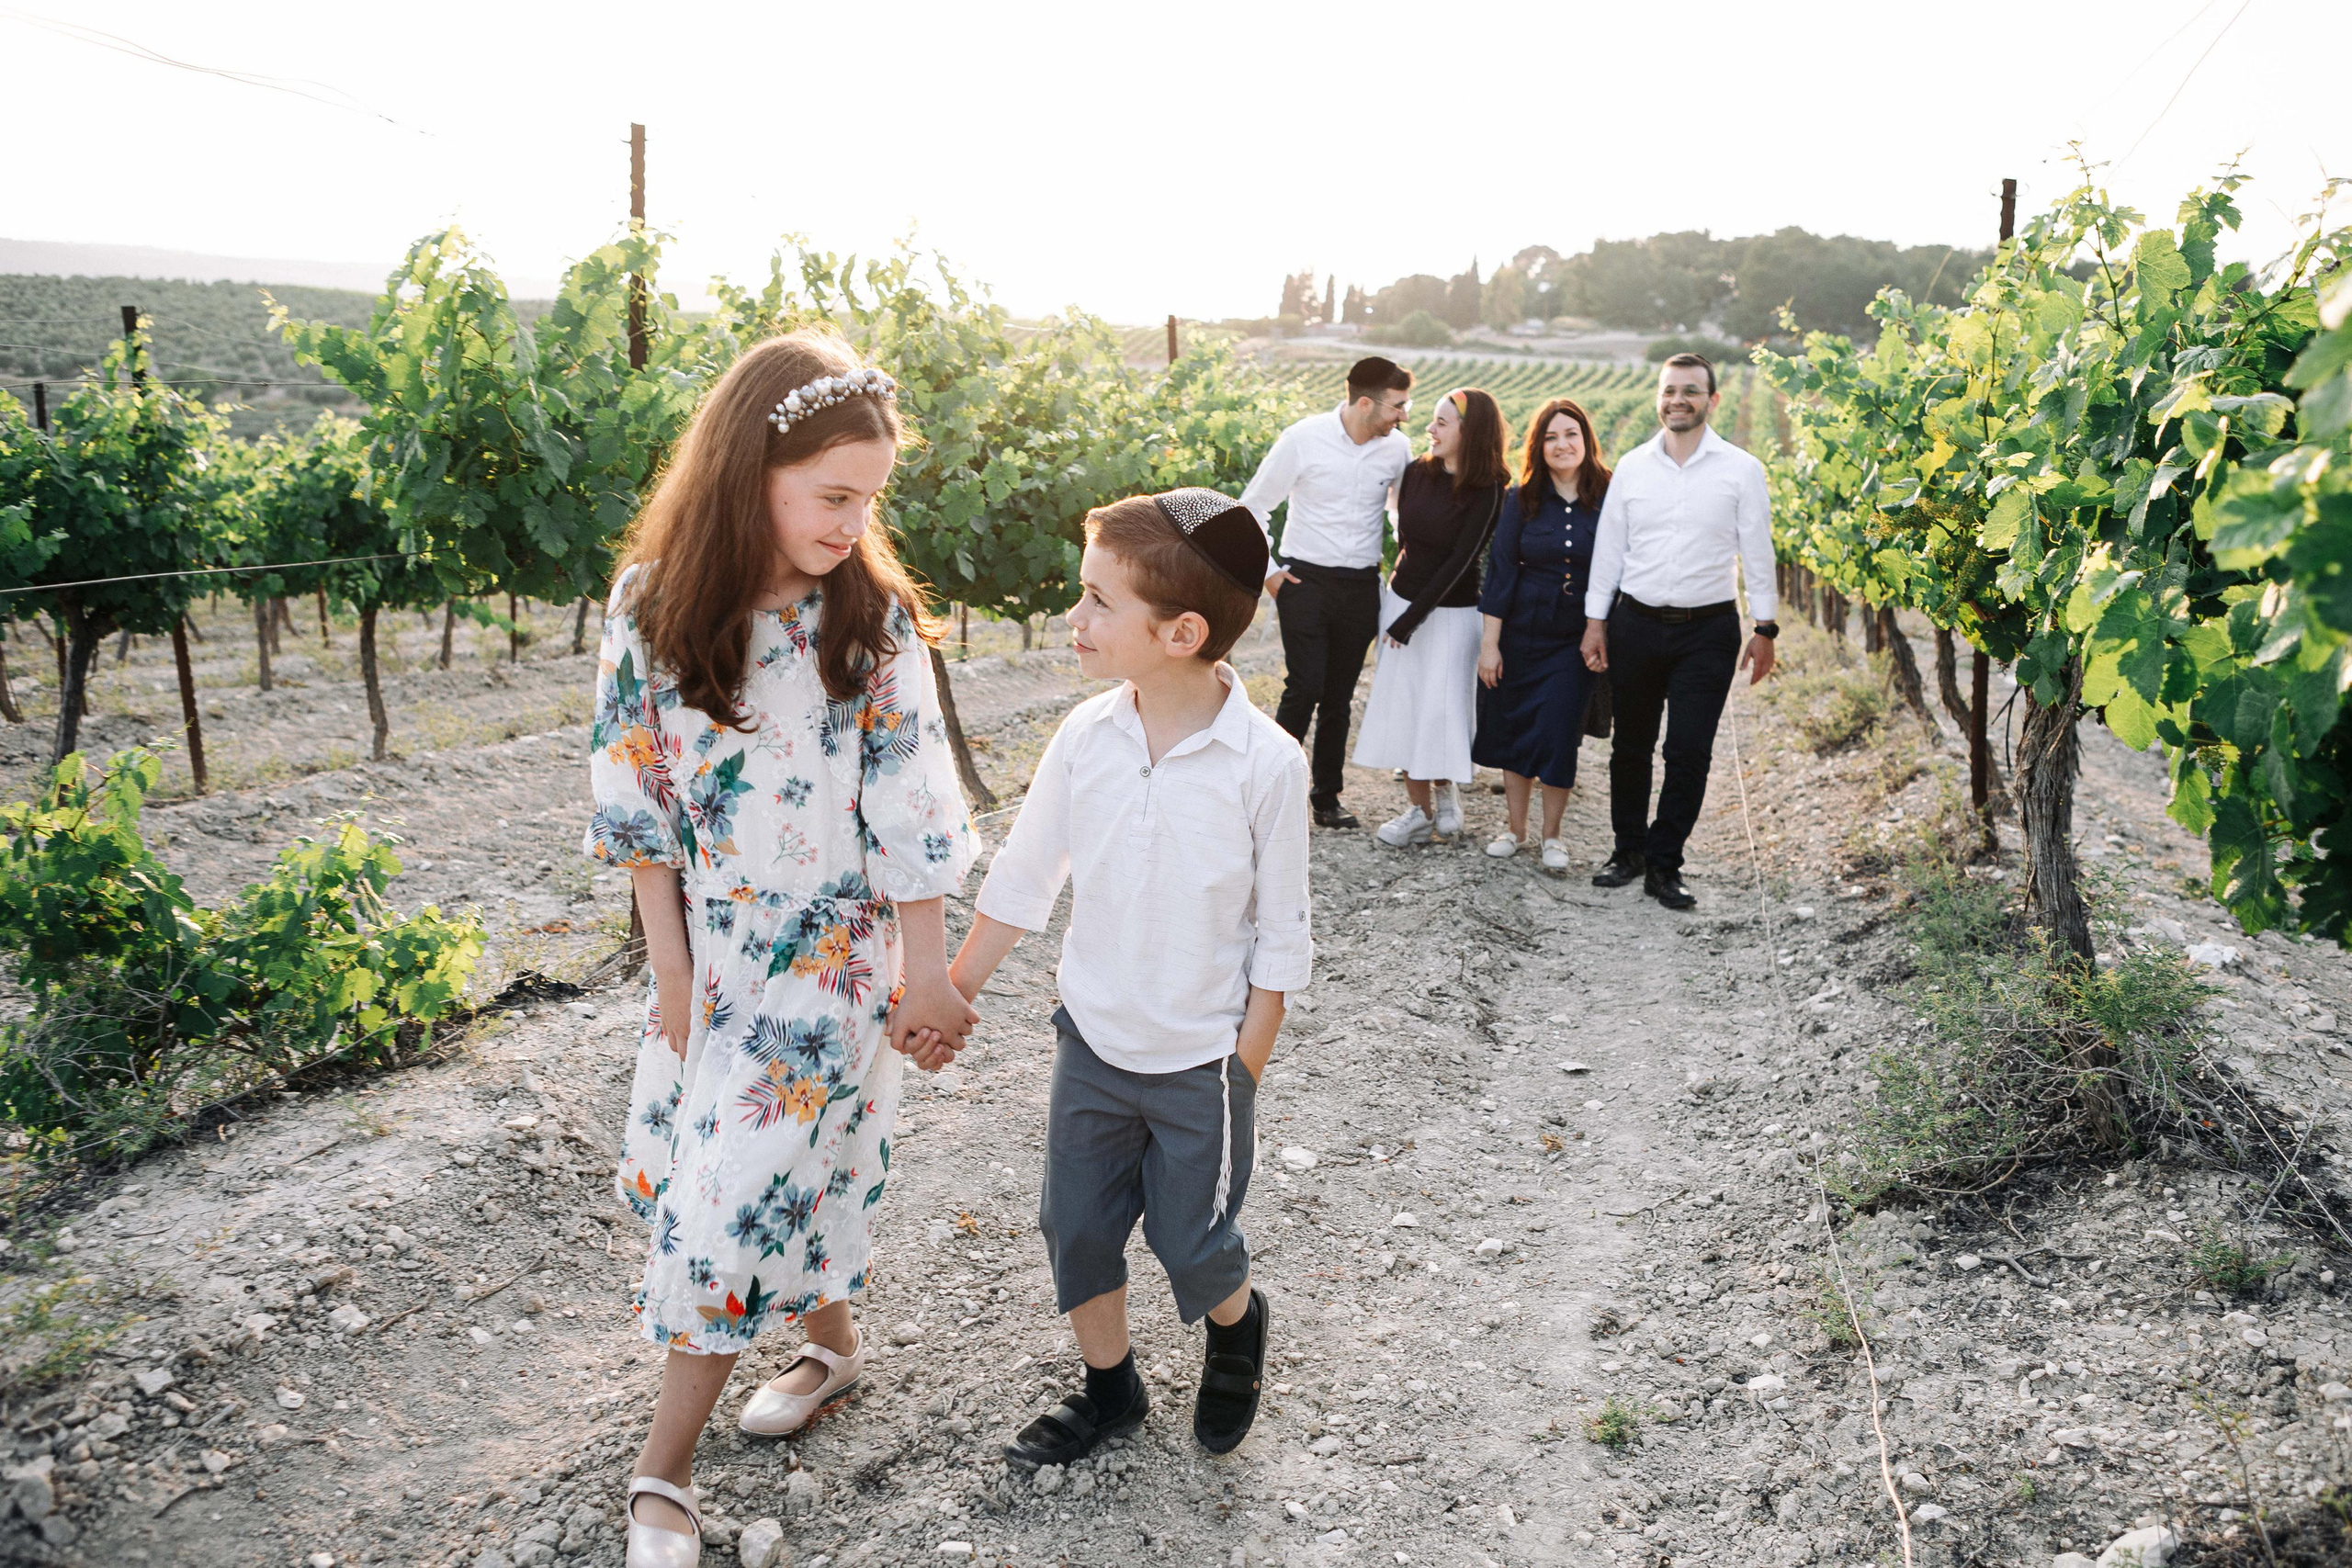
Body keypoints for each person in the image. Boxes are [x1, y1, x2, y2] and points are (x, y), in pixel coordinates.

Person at [583, 330, 980, 1568]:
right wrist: (670, 970)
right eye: (833, 495)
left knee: (729, 1199)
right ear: (753, 466)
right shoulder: (653, 604)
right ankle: (837, 1348)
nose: (853, 520)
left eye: (870, 498)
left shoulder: (868, 617)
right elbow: (638, 802)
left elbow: (912, 803)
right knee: (751, 1170)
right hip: (718, 951)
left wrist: (928, 971)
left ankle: (663, 1471)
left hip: (837, 966)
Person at [926, 488, 1310, 1467]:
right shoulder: (1086, 737)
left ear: (1180, 632)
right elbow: (1023, 877)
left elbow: (1280, 936)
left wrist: (1243, 1069)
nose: (1073, 617)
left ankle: (1235, 1322)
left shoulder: (1265, 764)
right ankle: (1111, 1389)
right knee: (1077, 1231)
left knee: (1193, 1243)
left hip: (1200, 1064)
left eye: (1098, 601)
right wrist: (950, 991)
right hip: (1091, 1044)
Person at [1580, 353, 1777, 911]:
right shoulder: (1633, 468)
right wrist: (1596, 622)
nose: (1678, 400)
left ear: (1712, 400)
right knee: (1631, 747)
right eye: (1669, 391)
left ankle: (1666, 864)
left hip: (1708, 632)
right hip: (1634, 625)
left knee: (1688, 751)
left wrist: (1766, 627)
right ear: (1658, 398)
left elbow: (1758, 555)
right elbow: (1609, 552)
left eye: (1691, 391)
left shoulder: (1742, 470)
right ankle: (1628, 851)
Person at [1240, 355, 1416, 828]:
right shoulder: (1303, 439)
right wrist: (1271, 575)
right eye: (1398, 406)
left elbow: (1403, 519)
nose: (1404, 416)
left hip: (1361, 586)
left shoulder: (1397, 449)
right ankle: (1267, 796)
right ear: (1365, 403)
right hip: (1305, 583)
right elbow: (1251, 507)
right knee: (1304, 688)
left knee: (1339, 697)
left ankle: (1326, 798)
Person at [1351, 388, 1509, 847]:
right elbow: (1406, 544)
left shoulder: (1489, 488)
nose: (1430, 429)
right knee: (1406, 706)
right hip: (1402, 604)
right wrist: (1399, 612)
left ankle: (1446, 793)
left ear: (1469, 431)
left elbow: (1461, 561)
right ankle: (1418, 810)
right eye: (1433, 420)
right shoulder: (1417, 472)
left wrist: (1410, 620)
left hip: (1453, 614)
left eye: (1442, 422)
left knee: (1441, 708)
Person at [1472, 397, 1611, 868]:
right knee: (1516, 728)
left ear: (1586, 441)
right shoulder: (1522, 499)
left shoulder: (1609, 494)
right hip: (1522, 631)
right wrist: (1490, 644)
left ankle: (1552, 836)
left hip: (1578, 638)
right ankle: (1516, 829)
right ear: (1538, 446)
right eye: (1550, 437)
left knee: (1557, 731)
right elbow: (1501, 572)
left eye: (1570, 434)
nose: (1562, 444)